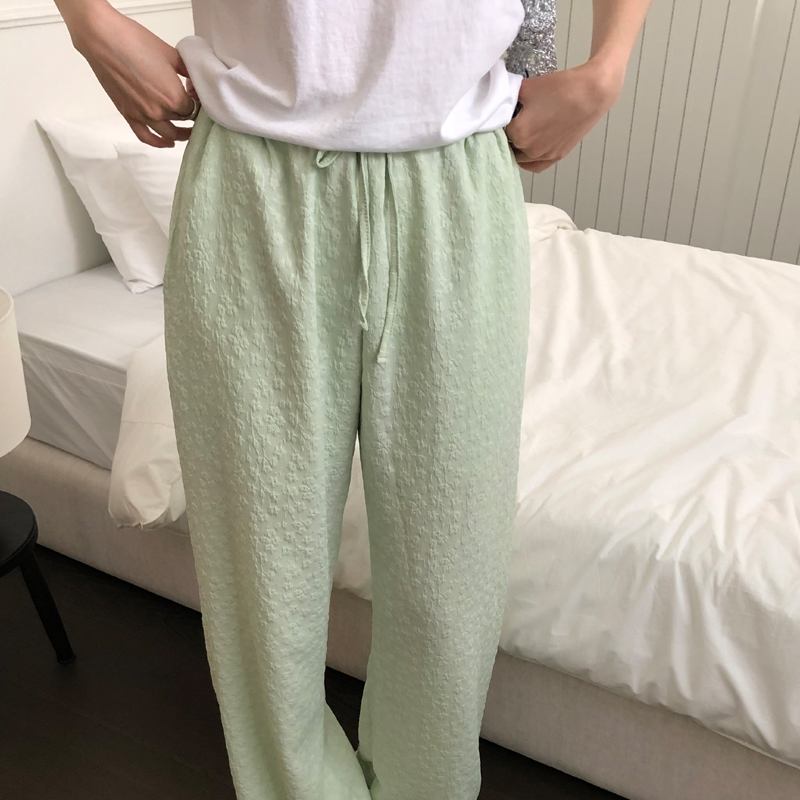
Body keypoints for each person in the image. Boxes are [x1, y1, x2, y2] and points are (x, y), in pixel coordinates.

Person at [54, 2, 651, 798]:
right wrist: (87, 20)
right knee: (264, 571)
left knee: (451, 571)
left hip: (458, 179)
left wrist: (609, 64)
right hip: (253, 175)